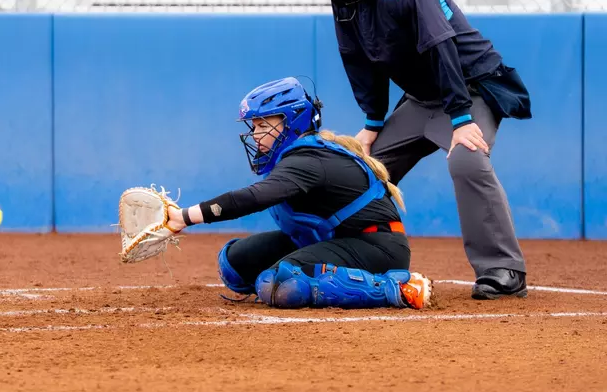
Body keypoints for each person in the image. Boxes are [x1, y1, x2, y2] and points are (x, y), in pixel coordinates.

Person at [315, 0, 532, 299]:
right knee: (362, 171)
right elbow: (358, 59)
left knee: (466, 161)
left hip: (471, 90)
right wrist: (373, 123)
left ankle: (504, 269)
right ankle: (349, 259)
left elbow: (440, 47)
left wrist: (461, 118)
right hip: (421, 99)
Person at [166, 76, 432, 310]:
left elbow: (255, 197)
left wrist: (183, 217)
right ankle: (317, 280)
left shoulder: (307, 158)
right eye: (254, 126)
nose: (256, 135)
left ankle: (397, 289)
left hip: (376, 248)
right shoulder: (298, 155)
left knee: (280, 282)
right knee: (234, 264)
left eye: (263, 126)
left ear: (292, 123)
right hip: (331, 240)